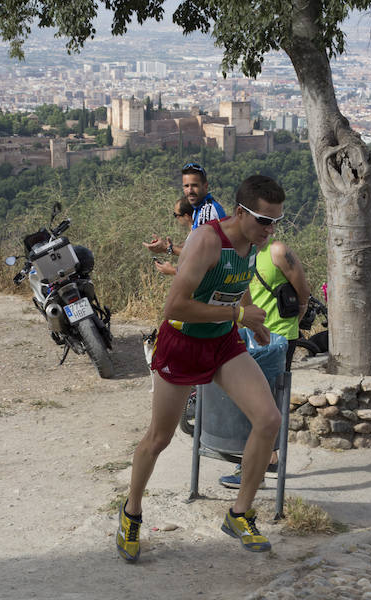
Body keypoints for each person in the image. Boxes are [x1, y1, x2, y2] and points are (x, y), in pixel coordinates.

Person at [117, 175, 286, 562]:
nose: (270, 229)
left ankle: (239, 513)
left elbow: (236, 282)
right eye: (264, 220)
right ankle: (131, 512)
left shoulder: (253, 243)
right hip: (182, 342)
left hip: (222, 342)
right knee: (159, 439)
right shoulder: (207, 241)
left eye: (276, 221)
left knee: (268, 420)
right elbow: (173, 307)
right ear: (241, 212)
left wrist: (253, 324)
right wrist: (239, 313)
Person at [218, 237, 311, 489]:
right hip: (250, 337)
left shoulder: (278, 251)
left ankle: (251, 471)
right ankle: (268, 460)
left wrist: (290, 325)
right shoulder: (237, 255)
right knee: (259, 402)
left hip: (278, 339)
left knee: (261, 404)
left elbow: (303, 293)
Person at [144, 162, 225, 258]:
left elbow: (200, 255)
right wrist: (168, 246)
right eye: (186, 186)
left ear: (205, 186)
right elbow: (192, 246)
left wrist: (167, 249)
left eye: (194, 185)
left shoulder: (208, 212)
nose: (190, 191)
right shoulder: (198, 209)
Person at [153, 197, 194, 277]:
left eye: (176, 215)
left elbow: (195, 257)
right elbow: (187, 249)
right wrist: (167, 247)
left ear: (186, 216)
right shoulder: (197, 230)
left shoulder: (198, 233)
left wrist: (172, 271)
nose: (176, 218)